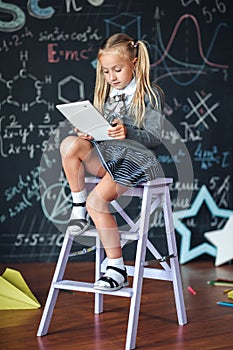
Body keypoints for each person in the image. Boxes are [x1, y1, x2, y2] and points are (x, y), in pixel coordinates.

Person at [60, 33, 165, 291]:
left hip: (136, 161)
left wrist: (128, 132)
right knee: (69, 144)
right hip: (108, 157)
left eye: (117, 70)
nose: (111, 77)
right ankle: (77, 206)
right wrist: (89, 132)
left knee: (98, 202)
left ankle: (116, 267)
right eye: (106, 72)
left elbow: (155, 138)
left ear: (135, 63)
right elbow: (103, 134)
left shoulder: (150, 93)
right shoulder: (106, 95)